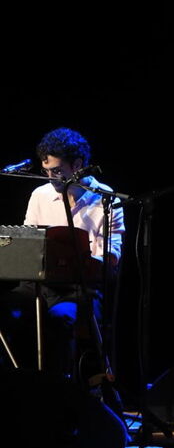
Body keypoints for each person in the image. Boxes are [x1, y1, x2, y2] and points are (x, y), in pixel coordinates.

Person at [0, 127, 124, 373]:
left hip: (80, 290)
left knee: (59, 319)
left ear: (77, 164)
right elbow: (28, 245)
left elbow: (111, 258)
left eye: (57, 171)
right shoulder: (40, 195)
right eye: (46, 171)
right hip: (38, 285)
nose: (50, 178)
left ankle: (62, 393)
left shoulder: (104, 198)